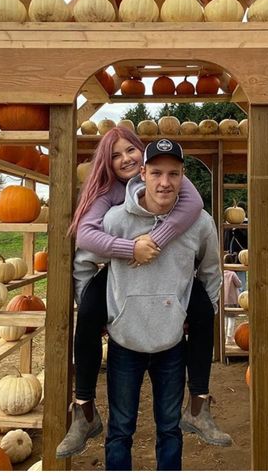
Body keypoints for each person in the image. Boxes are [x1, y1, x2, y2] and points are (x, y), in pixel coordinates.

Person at [59, 126, 231, 459]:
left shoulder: (196, 216)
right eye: (156, 173)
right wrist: (105, 304)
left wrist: (189, 310)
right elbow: (85, 244)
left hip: (171, 339)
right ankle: (83, 408)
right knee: (120, 428)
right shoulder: (109, 207)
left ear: (182, 175)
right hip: (125, 336)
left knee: (170, 428)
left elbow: (211, 270)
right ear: (143, 173)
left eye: (173, 173)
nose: (164, 181)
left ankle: (199, 404)